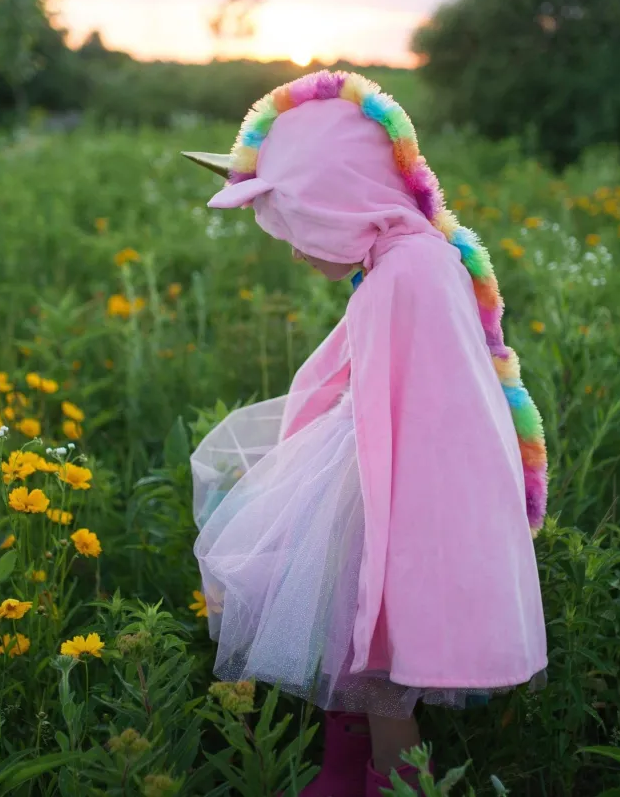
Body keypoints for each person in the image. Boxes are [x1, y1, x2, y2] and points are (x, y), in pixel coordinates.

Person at [183, 70, 548, 796]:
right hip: (370, 471)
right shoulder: (398, 261)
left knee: (378, 662)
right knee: (349, 646)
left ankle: (396, 782)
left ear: (336, 205)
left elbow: (432, 414)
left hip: (401, 490)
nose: (293, 250)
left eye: (296, 225)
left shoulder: (407, 271)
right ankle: (346, 766)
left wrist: (391, 548)